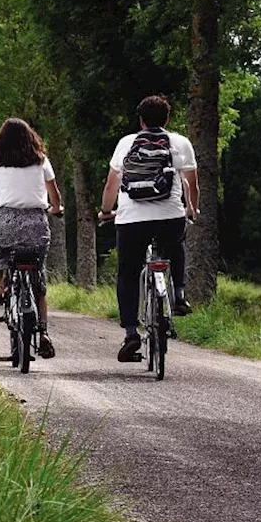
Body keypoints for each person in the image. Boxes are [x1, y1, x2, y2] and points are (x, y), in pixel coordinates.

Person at [98, 94, 199, 362]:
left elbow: (111, 185)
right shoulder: (180, 142)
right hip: (170, 215)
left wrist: (107, 211)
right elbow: (192, 184)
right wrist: (192, 209)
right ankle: (178, 295)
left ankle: (131, 332)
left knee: (128, 273)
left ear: (140, 120)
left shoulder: (125, 143)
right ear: (167, 118)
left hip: (131, 219)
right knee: (175, 245)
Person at [0, 118, 63, 359]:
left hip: (5, 221)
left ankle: (0, 286)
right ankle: (43, 334)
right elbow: (55, 194)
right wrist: (55, 208)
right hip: (35, 224)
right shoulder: (41, 159)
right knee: (39, 282)